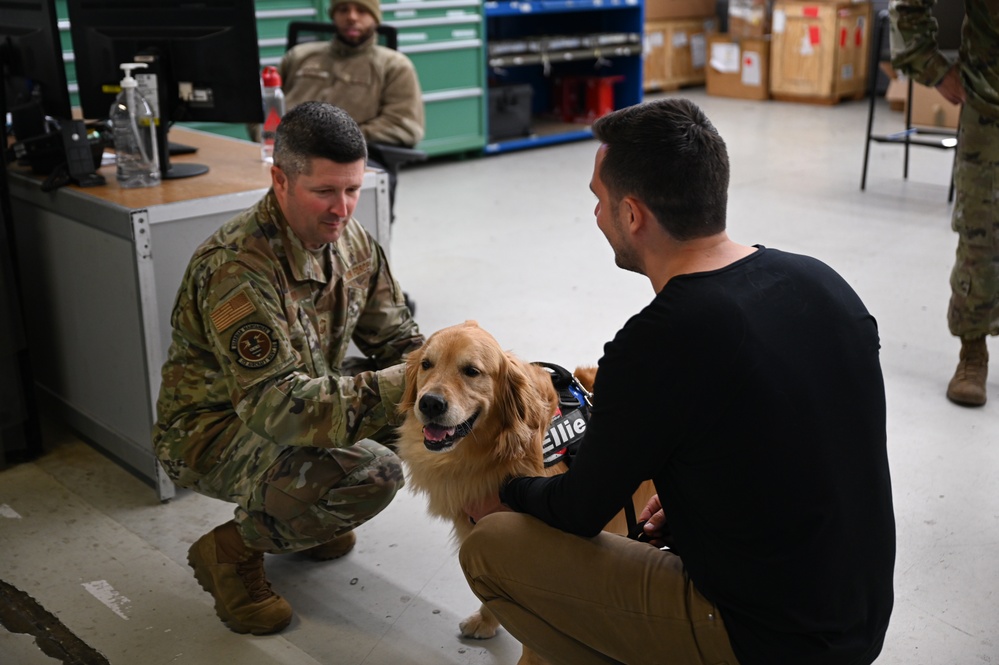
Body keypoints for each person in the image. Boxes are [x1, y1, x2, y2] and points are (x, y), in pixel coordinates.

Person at [461, 99, 896, 665]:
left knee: (493, 548)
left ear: (633, 215)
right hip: (856, 620)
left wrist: (504, 494)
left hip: (764, 640)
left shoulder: (658, 341)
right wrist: (699, 506)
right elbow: (812, 445)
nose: (596, 215)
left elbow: (577, 509)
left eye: (599, 199)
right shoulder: (821, 282)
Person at [153, 102, 423, 636]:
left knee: (436, 415)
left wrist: (449, 378)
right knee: (373, 473)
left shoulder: (351, 240)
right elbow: (275, 405)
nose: (342, 208)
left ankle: (302, 513)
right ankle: (229, 553)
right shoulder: (236, 268)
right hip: (214, 429)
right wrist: (404, 387)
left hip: (299, 399)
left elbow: (395, 339)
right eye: (324, 191)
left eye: (352, 189)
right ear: (280, 181)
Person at [889, 0, 998, 406]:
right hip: (991, 105)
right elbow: (909, 5)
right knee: (980, 234)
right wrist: (932, 66)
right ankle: (973, 351)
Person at [280, 0, 425, 208]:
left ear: (375, 17)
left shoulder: (394, 65)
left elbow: (403, 125)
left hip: (354, 159)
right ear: (333, 15)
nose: (352, 17)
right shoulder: (299, 56)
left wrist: (335, 141)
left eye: (362, 10)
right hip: (288, 154)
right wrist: (271, 142)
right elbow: (266, 107)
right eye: (343, 9)